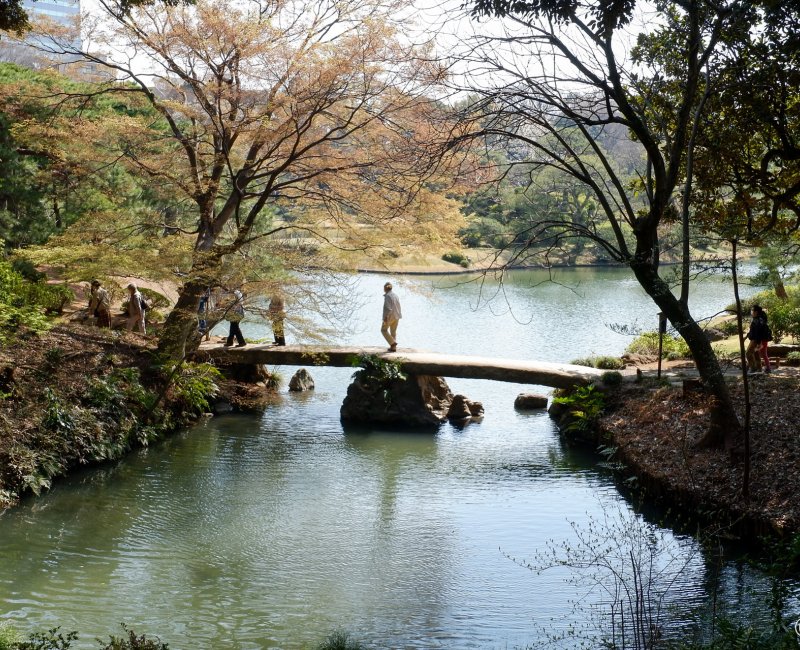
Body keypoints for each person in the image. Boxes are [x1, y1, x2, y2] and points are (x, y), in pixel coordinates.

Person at [746, 304, 771, 374]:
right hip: (755, 339)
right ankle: (759, 368)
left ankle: (753, 368)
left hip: (755, 340)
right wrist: (747, 336)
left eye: (752, 310)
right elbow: (753, 330)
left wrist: (758, 343)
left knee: (748, 353)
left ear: (756, 312)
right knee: (756, 353)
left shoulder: (758, 320)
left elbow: (758, 333)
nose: (751, 312)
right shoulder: (758, 319)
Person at [381, 281, 402, 352]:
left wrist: (385, 318)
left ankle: (392, 343)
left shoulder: (387, 296)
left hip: (390, 316)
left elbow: (388, 308)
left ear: (385, 288)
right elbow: (399, 306)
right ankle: (393, 348)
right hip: (397, 316)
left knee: (383, 330)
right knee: (393, 332)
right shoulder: (396, 295)